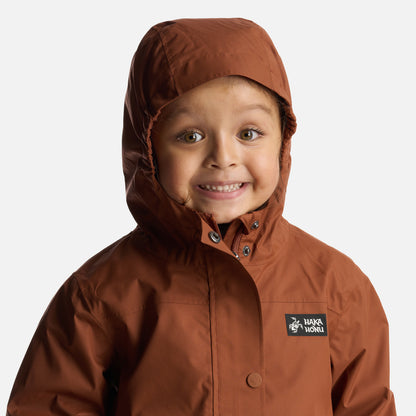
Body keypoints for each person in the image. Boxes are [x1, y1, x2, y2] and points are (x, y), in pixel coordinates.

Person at [7, 18, 396, 415]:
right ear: (148, 148)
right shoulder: (99, 295)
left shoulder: (337, 287)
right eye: (191, 136)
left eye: (248, 133)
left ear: (283, 140)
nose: (223, 158)